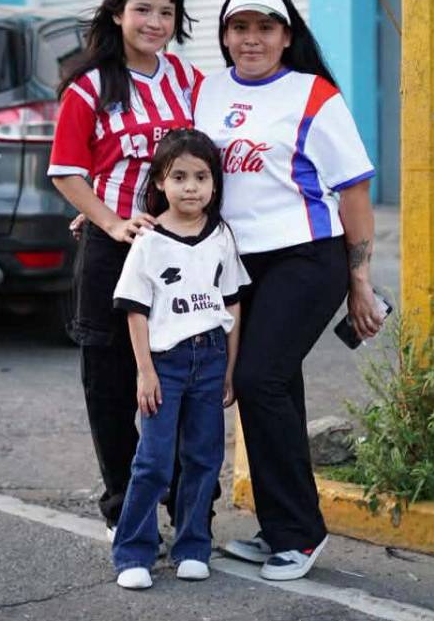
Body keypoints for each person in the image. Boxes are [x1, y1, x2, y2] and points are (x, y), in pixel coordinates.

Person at [194, 0, 386, 581]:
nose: (251, 39)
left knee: (258, 379)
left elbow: (354, 191)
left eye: (265, 28)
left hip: (305, 257)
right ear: (225, 36)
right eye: (239, 28)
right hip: (236, 264)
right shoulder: (208, 91)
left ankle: (301, 535)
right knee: (271, 386)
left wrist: (359, 279)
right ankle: (280, 528)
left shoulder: (313, 95)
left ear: (286, 36)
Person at [48, 0, 204, 540]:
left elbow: (207, 159)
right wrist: (107, 221)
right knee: (111, 386)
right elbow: (66, 171)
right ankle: (125, 511)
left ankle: (190, 512)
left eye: (166, 11)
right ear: (117, 13)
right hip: (114, 251)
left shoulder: (188, 80)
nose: (155, 22)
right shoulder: (89, 86)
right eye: (143, 9)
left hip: (181, 251)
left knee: (184, 380)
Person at [110, 128, 248, 589]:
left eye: (202, 177)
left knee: (203, 458)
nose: (191, 188)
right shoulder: (149, 240)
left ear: (215, 184)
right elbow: (135, 310)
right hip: (165, 363)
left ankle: (192, 546)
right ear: (160, 182)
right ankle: (133, 552)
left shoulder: (221, 235)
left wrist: (229, 369)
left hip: (210, 358)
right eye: (180, 177)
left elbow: (232, 305)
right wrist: (145, 372)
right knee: (153, 462)